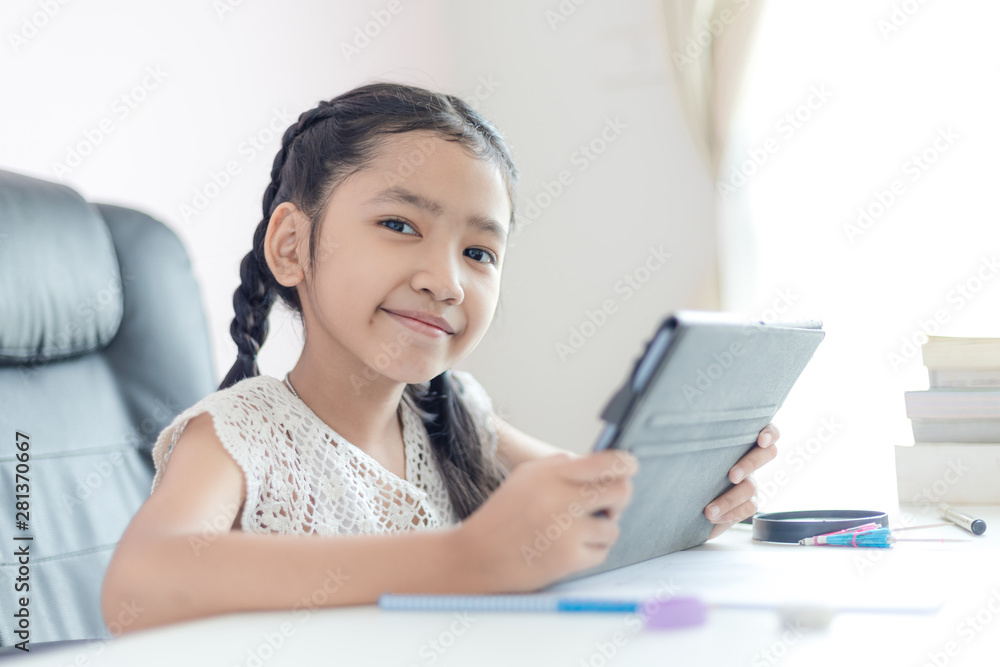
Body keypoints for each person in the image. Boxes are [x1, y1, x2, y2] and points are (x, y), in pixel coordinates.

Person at [101, 81, 780, 633]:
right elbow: (139, 584)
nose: (447, 280)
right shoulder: (239, 432)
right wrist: (462, 557)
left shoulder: (457, 413)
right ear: (290, 245)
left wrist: (704, 486)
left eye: (478, 252)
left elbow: (607, 502)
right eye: (400, 225)